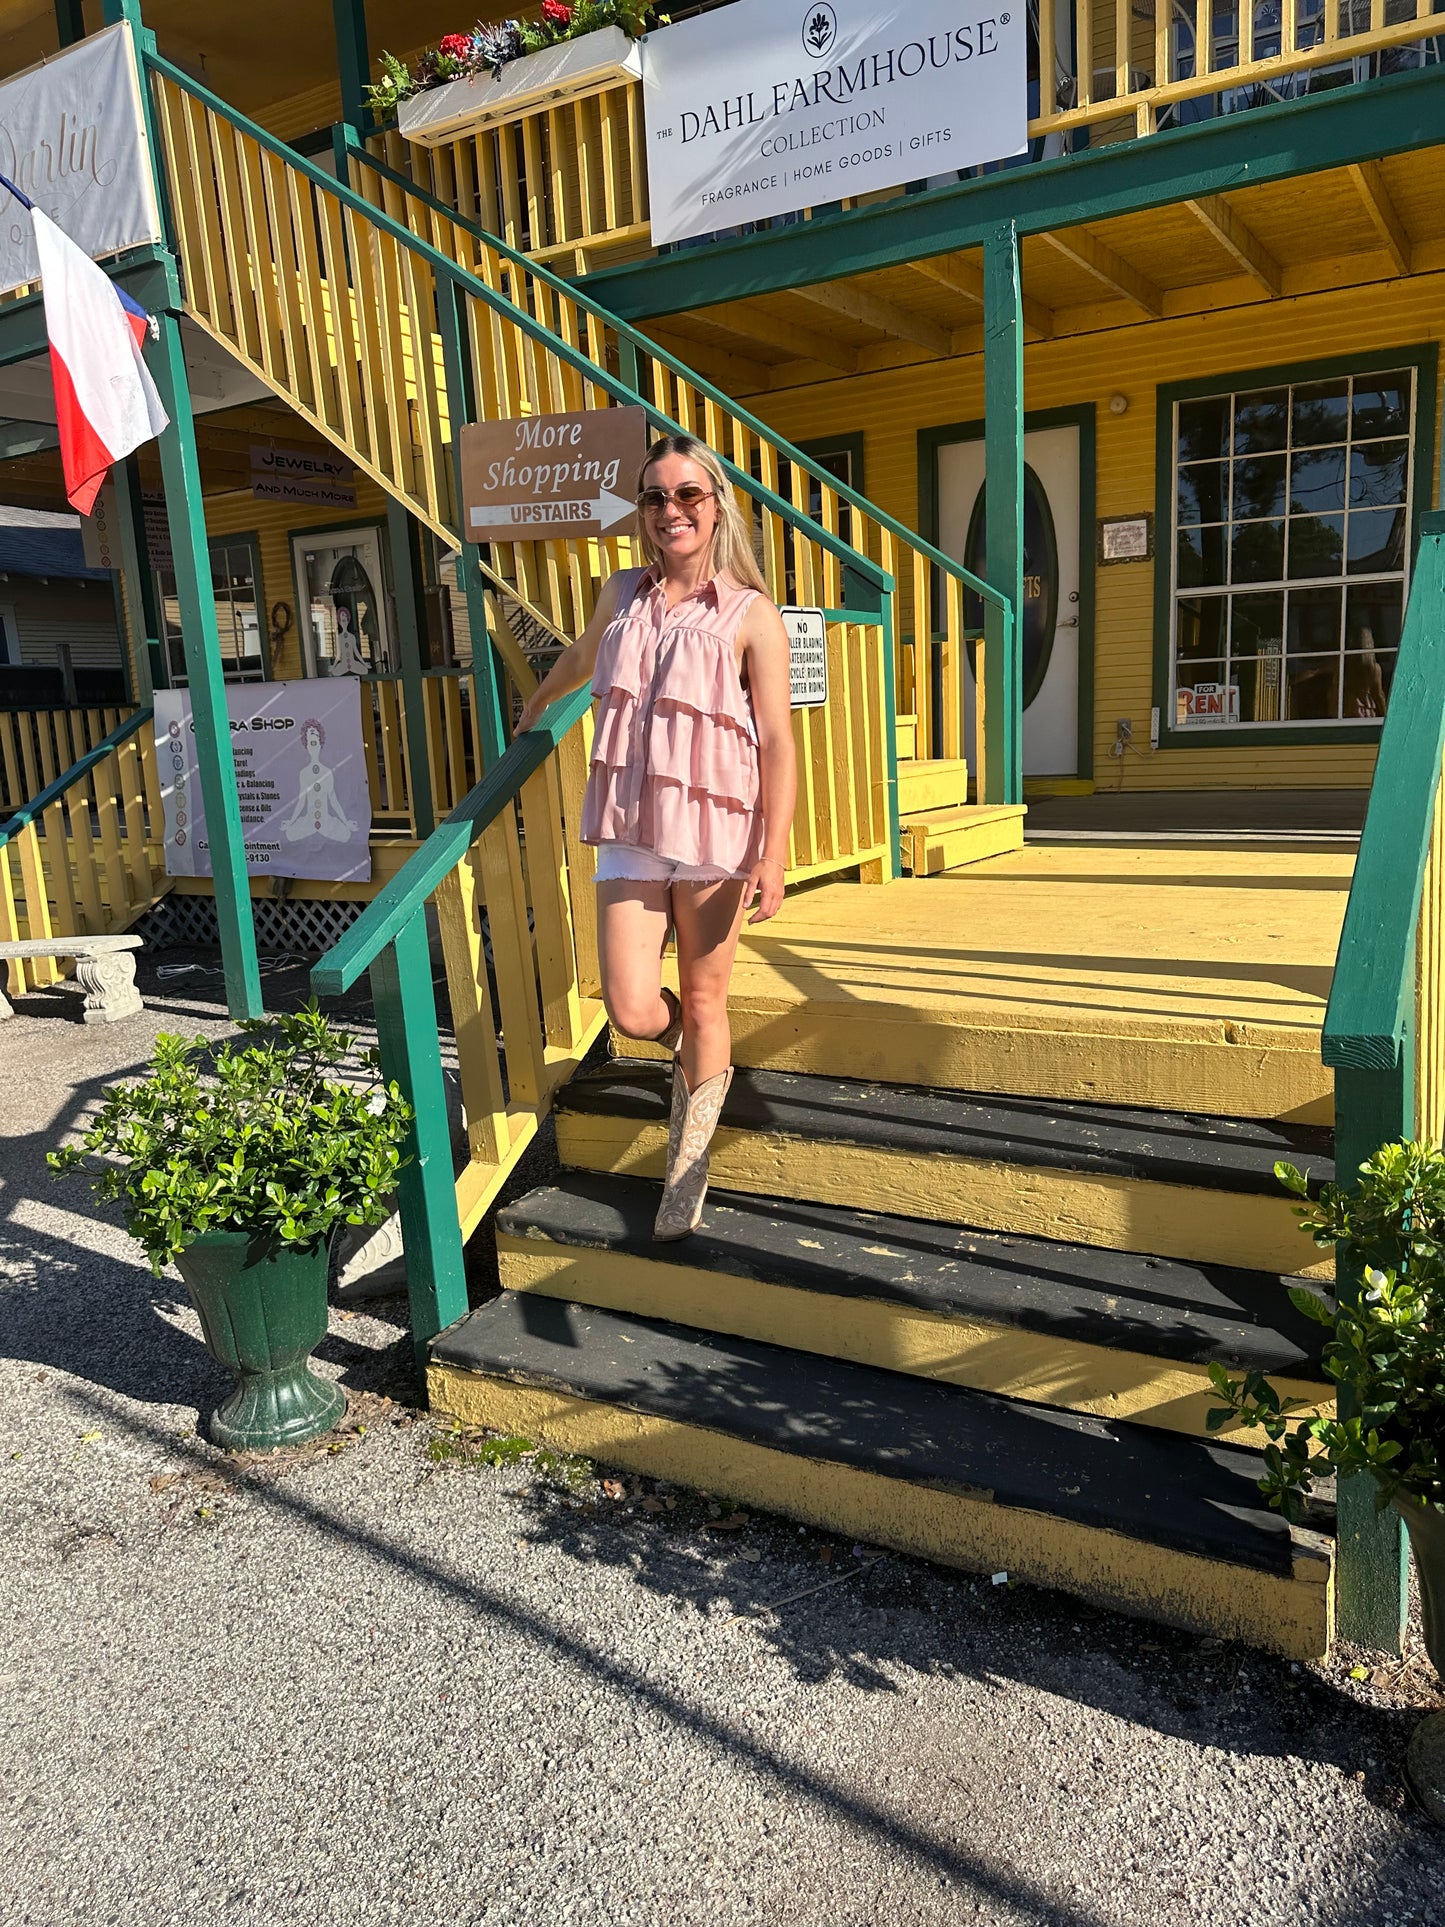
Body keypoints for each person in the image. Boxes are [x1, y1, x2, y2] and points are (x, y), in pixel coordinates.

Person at [515, 433, 797, 1240]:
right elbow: (580, 655)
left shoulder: (751, 615)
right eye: (653, 497)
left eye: (687, 495)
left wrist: (772, 853)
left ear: (715, 507)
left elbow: (776, 739)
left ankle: (689, 1164)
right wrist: (537, 704)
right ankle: (701, 1060)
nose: (669, 510)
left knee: (706, 998)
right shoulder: (620, 593)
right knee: (634, 1006)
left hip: (715, 826)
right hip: (632, 824)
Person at [279, 720, 358, 843]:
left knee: (346, 834)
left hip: (326, 821)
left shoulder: (327, 772)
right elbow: (301, 800)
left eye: (315, 737)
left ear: (321, 744)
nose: (313, 744)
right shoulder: (304, 773)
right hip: (309, 822)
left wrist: (345, 822)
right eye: (310, 741)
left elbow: (333, 800)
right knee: (290, 834)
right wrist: (291, 821)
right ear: (307, 746)